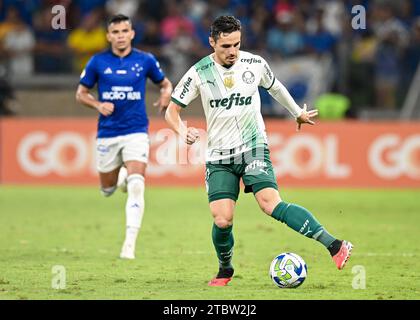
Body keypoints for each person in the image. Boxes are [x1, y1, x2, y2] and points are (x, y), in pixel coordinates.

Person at [165, 15, 353, 286]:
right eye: (225, 46)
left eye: (236, 45)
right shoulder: (198, 72)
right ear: (212, 42)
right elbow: (172, 111)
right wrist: (182, 131)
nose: (232, 52)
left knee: (269, 203)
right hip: (219, 156)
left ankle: (334, 245)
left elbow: (275, 88)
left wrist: (297, 112)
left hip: (253, 147)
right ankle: (225, 269)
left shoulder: (255, 63)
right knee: (222, 220)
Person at [76, 14, 172, 259]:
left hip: (136, 130)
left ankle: (129, 243)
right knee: (107, 190)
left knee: (138, 184)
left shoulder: (146, 60)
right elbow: (81, 93)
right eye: (115, 32)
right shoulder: (98, 62)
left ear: (132, 34)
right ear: (109, 36)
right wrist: (97, 105)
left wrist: (164, 95)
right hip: (108, 133)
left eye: (124, 31)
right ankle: (119, 177)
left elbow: (165, 84)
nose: (120, 36)